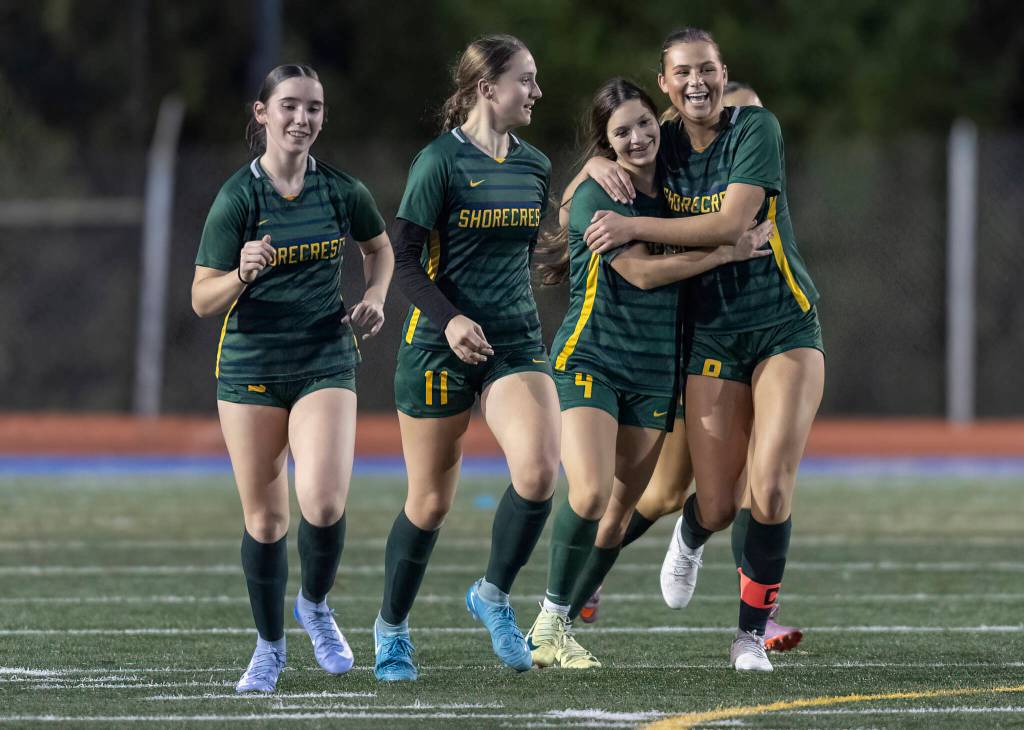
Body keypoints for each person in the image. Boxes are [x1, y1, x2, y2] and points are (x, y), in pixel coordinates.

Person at [581, 29, 825, 672]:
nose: (697, 82)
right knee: (712, 503)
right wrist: (592, 167)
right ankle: (690, 535)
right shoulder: (654, 138)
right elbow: (589, 180)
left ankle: (748, 639)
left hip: (781, 328)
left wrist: (632, 224)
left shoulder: (756, 128)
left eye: (708, 70)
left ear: (724, 74)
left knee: (769, 488)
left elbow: (729, 225)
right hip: (707, 337)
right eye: (683, 72)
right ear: (664, 83)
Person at [524, 78, 771, 670]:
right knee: (587, 492)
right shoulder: (597, 193)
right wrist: (724, 253)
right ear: (605, 142)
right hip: (592, 358)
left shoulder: (683, 183)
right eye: (620, 132)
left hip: (657, 368)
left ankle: (560, 623)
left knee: (620, 512)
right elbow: (637, 274)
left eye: (643, 125)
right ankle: (545, 621)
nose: (637, 138)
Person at [191, 64, 394, 693]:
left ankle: (315, 603)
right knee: (268, 521)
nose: (301, 118)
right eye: (289, 107)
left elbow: (379, 248)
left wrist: (377, 296)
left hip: (324, 357)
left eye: (313, 108)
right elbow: (201, 299)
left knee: (326, 501)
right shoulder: (237, 198)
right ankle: (269, 647)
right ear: (262, 114)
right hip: (250, 366)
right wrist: (241, 274)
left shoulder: (340, 189)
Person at [374, 34, 557, 682]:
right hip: (438, 345)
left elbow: (532, 251)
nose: (536, 92)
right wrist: (450, 320)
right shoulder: (439, 163)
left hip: (513, 342)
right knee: (429, 503)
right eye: (526, 80)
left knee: (538, 473)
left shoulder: (535, 165)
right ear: (487, 88)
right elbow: (405, 262)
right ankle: (391, 631)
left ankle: (493, 596)